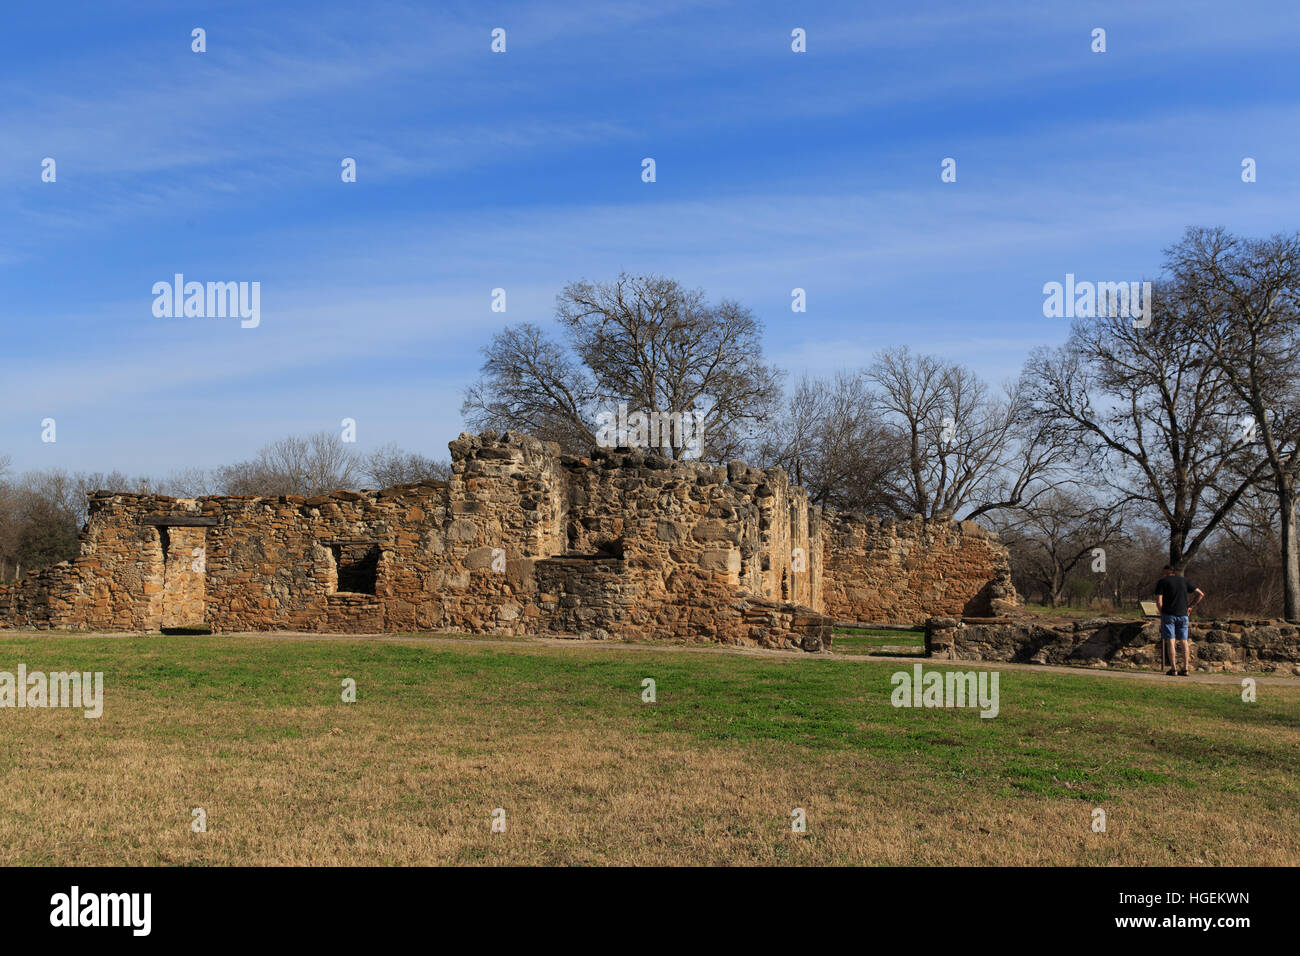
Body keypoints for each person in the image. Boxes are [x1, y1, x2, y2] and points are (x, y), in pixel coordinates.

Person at [1154, 565, 1204, 676]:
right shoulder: (1184, 581)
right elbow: (1200, 594)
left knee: (1171, 641)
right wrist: (1190, 607)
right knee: (1184, 641)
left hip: (1169, 614)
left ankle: (1173, 669)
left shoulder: (1162, 582)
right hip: (1183, 614)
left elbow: (1159, 602)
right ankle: (1185, 669)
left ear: (1167, 571)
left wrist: (1162, 612)